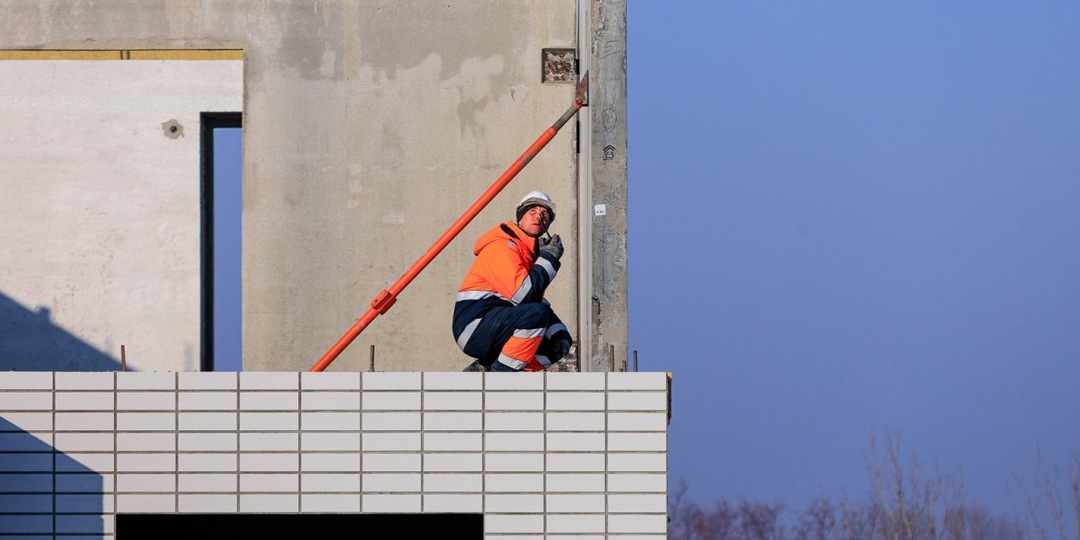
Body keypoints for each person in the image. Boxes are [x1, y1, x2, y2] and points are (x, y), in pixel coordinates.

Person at [453, 190, 573, 372]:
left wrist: (559, 334)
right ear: (520, 217)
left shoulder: (526, 257)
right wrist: (548, 258)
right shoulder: (502, 246)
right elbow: (523, 296)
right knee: (536, 316)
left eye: (545, 215)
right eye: (533, 211)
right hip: (475, 324)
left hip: (494, 322)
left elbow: (535, 302)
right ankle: (500, 376)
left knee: (556, 344)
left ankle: (487, 367)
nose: (539, 217)